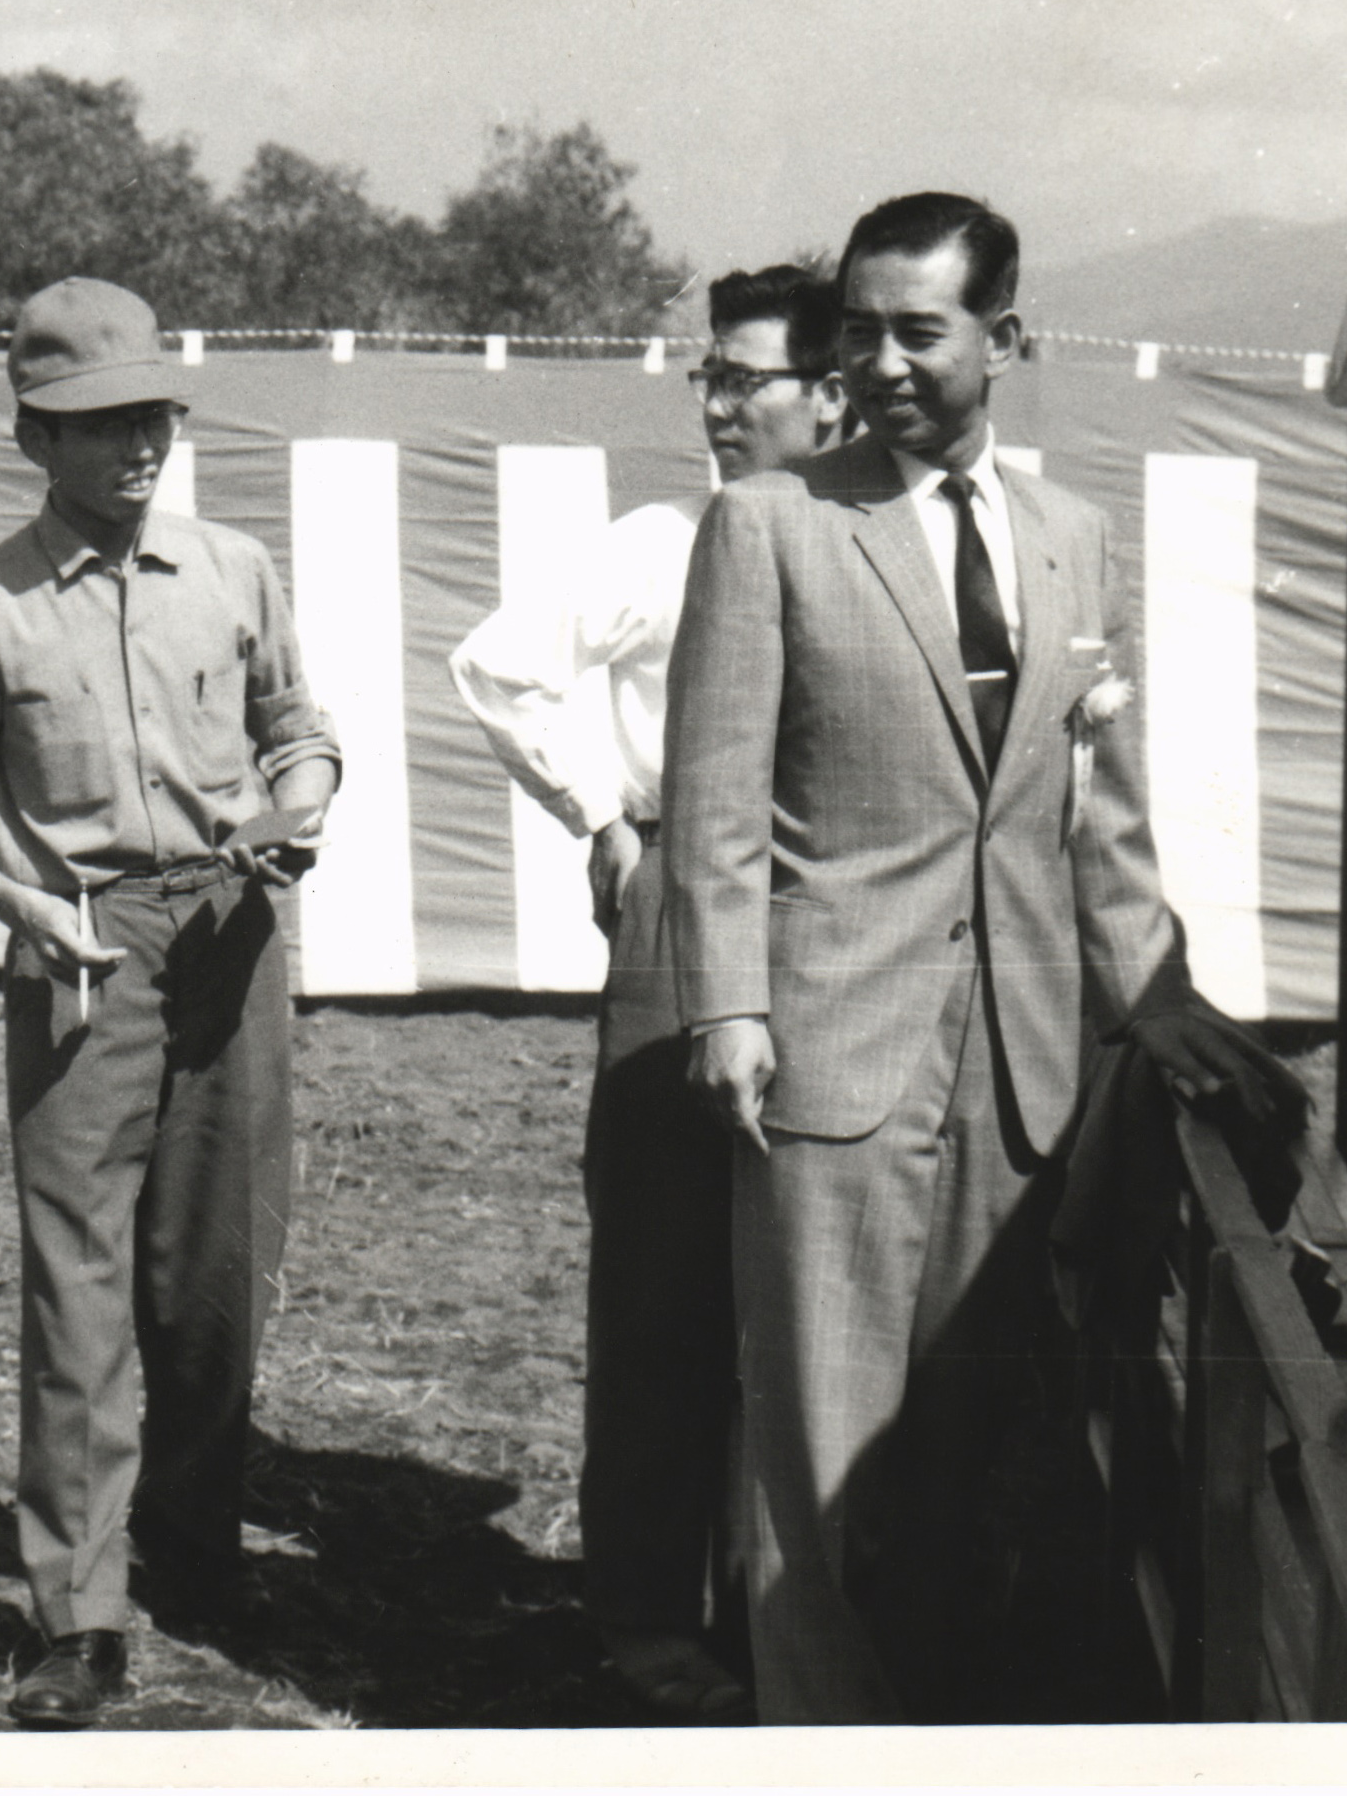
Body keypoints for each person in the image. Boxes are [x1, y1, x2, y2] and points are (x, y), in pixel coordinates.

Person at [663, 192, 1272, 1722]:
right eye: (853, 331)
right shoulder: (772, 524)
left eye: (913, 330)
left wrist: (1151, 990)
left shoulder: (1072, 541)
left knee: (959, 1454)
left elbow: (1098, 815)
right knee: (815, 1454)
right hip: (827, 1058)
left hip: (1021, 1083)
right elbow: (715, 801)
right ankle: (814, 1738)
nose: (874, 362)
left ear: (1005, 340)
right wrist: (729, 1004)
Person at [0, 277, 340, 1730]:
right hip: (78, 947)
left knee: (213, 1270)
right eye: (99, 423)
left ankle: (195, 1548)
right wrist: (16, 905)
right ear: (33, 435)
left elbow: (298, 728)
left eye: (152, 413)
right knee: (77, 1281)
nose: (137, 444)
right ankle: (77, 1610)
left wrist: (298, 807)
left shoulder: (232, 566)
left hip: (233, 930)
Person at [448, 264, 850, 1722]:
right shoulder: (660, 537)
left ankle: (779, 1601)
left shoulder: (872, 536)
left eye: (747, 376)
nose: (718, 402)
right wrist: (604, 820)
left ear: (833, 389)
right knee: (668, 1270)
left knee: (811, 1273)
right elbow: (498, 664)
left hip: (839, 915)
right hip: (685, 908)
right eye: (709, 374)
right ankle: (637, 1610)